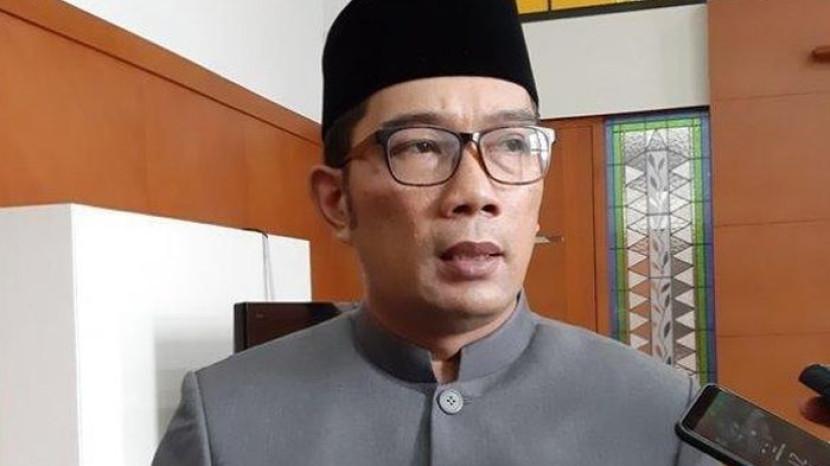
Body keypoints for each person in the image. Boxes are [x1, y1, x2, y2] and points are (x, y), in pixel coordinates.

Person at [152, 0, 718, 464]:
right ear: (337, 201)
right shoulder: (224, 421)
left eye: (512, 143)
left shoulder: (664, 415)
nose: (477, 191)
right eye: (421, 146)